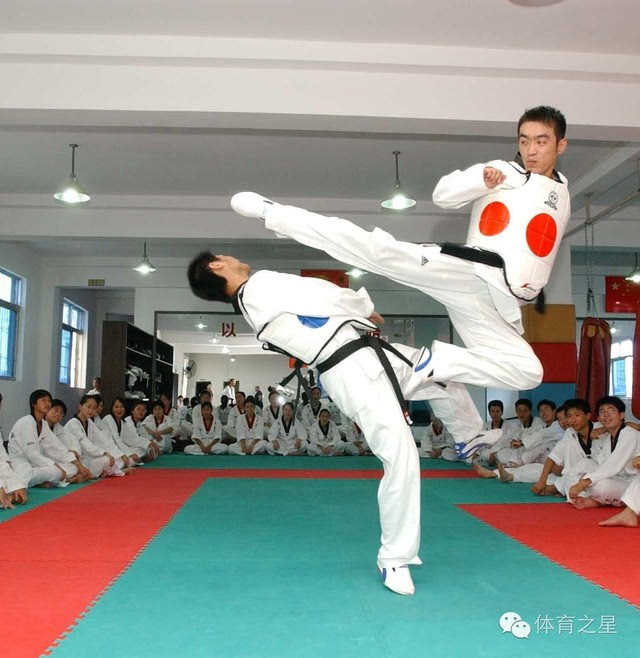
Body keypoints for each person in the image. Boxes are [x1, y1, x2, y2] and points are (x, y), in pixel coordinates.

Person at [231, 106, 570, 454]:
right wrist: (480, 180)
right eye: (524, 141)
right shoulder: (506, 171)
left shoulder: (564, 191)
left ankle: (461, 418)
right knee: (378, 250)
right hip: (470, 271)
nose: (531, 150)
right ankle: (273, 212)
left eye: (541, 142)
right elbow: (444, 193)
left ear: (560, 146)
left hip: (494, 302)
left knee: (528, 373)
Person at [187, 252, 499, 596]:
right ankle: (394, 557)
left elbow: (316, 304)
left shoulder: (252, 301)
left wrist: (358, 316)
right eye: (224, 256)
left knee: (441, 374)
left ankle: (469, 436)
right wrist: (362, 307)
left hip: (371, 352)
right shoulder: (257, 287)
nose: (233, 256)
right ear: (216, 265)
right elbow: (318, 292)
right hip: (351, 369)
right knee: (401, 456)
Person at [568, 396, 640, 509]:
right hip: (619, 480)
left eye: (611, 410)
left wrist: (585, 481)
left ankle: (619, 501)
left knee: (600, 486)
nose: (606, 415)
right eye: (602, 411)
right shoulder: (608, 438)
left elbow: (613, 466)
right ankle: (600, 499)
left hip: (634, 483)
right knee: (584, 474)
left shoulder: (629, 434)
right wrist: (585, 479)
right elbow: (601, 464)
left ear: (621, 415)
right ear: (598, 418)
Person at [8, 390, 82, 487]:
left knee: (71, 468)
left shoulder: (43, 424)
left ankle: (45, 481)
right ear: (34, 404)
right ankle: (50, 480)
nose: (47, 403)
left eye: (49, 401)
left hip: (38, 464)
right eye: (43, 400)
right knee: (28, 475)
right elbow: (31, 454)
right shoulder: (26, 422)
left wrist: (78, 465)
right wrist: (55, 466)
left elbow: (56, 447)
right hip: (21, 462)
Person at [102, 397, 146, 464]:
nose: (119, 410)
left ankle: (127, 463)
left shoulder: (122, 422)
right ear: (112, 408)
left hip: (118, 448)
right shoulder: (108, 418)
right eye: (116, 407)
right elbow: (116, 440)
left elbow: (130, 438)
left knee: (140, 450)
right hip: (108, 449)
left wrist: (148, 444)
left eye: (122, 407)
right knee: (125, 460)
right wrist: (127, 454)